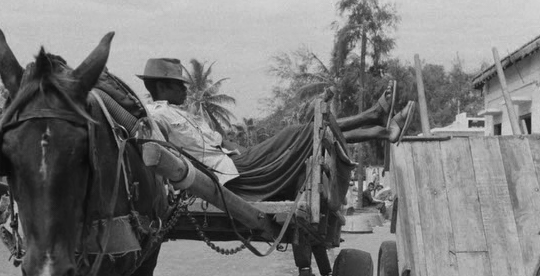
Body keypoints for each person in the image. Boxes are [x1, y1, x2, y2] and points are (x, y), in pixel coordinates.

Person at [137, 58, 415, 201]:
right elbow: (158, 154)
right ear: (161, 86)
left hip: (237, 162)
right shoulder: (154, 116)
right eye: (178, 85)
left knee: (309, 134)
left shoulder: (181, 113)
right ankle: (376, 120)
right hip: (224, 176)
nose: (185, 89)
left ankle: (381, 127)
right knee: (302, 132)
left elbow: (219, 144)